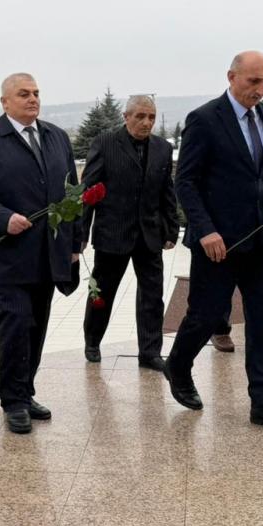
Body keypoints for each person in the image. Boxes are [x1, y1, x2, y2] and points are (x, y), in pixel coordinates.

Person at [164, 51, 263, 434]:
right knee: (205, 316)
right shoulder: (205, 119)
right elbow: (185, 182)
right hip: (217, 243)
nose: (261, 89)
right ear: (231, 77)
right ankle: (178, 364)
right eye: (254, 81)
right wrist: (205, 229)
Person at [0, 73, 81, 434]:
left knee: (37, 326)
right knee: (15, 323)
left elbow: (72, 194)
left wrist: (74, 244)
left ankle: (25, 391)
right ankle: (13, 401)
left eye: (36, 93)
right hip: (7, 255)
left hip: (48, 253)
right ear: (5, 102)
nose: (32, 99)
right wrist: (3, 218)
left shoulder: (56, 137)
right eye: (24, 94)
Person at [81, 94, 178, 371]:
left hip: (149, 235)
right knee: (103, 292)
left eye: (151, 117)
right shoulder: (105, 143)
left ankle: (150, 352)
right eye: (140, 116)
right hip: (113, 234)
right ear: (126, 117)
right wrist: (80, 235)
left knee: (152, 296)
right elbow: (88, 191)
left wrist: (170, 229)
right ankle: (92, 341)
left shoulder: (162, 148)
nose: (146, 122)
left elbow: (166, 191)